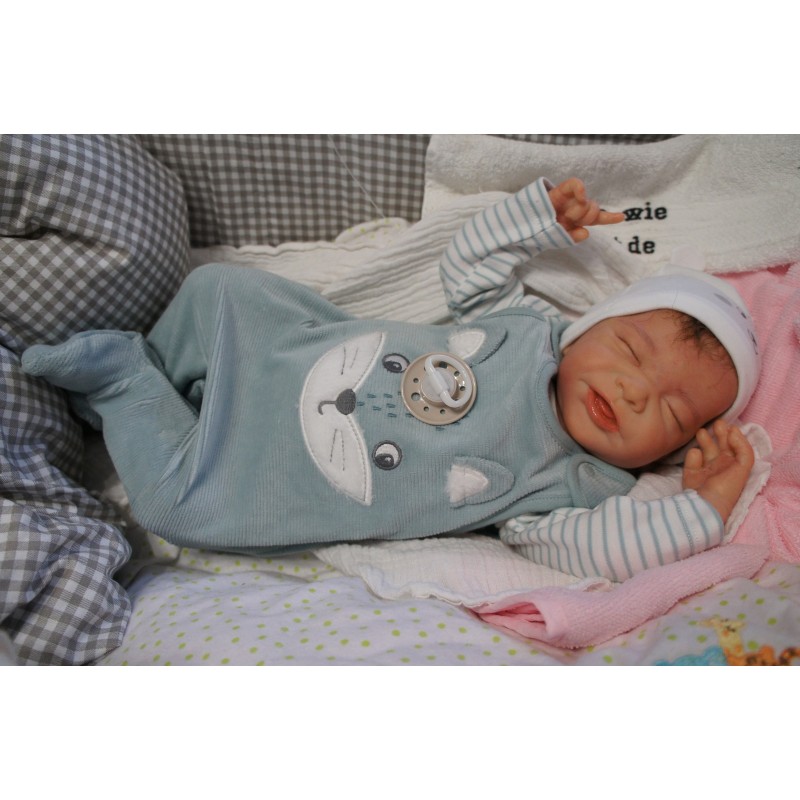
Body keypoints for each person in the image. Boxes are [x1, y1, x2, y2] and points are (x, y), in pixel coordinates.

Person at [21, 177, 760, 582]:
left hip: (277, 473)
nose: (634, 392)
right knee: (222, 290)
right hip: (293, 351)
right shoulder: (528, 328)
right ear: (588, 327)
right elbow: (466, 264)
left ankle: (124, 384)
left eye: (670, 411)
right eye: (629, 350)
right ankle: (161, 383)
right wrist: (536, 218)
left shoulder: (577, 485)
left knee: (179, 507)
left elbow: (601, 555)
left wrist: (706, 508)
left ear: (668, 451)